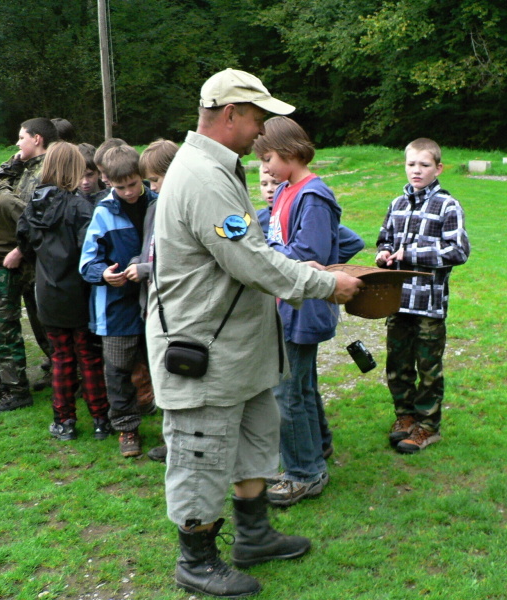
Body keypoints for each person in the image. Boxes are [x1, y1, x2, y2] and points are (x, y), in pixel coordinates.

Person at [145, 68, 362, 598]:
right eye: (258, 117)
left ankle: (254, 534)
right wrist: (325, 284)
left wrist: (306, 273)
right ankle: (196, 561)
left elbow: (251, 253)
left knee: (255, 438)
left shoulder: (218, 168)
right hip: (204, 349)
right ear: (230, 114)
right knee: (199, 454)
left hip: (236, 349)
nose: (263, 129)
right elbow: (252, 262)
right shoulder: (202, 176)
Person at [253, 117, 347, 507]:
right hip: (286, 307)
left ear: (290, 152)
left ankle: (303, 473)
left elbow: (310, 255)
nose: (265, 168)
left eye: (269, 159)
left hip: (303, 310)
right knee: (300, 388)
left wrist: (261, 255)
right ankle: (314, 453)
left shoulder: (313, 195)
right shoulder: (287, 190)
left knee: (287, 393)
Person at [375, 138, 470, 454]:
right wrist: (384, 254)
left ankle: (428, 427)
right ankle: (405, 417)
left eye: (424, 165)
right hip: (397, 300)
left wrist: (412, 254)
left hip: (428, 304)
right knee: (397, 364)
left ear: (438, 168)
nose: (417, 170)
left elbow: (458, 251)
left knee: (428, 368)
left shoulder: (448, 205)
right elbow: (384, 239)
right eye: (411, 164)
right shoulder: (396, 204)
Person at [16, 142, 111, 441]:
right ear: (73, 169)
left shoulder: (32, 206)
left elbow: (25, 245)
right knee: (88, 356)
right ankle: (100, 420)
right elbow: (90, 250)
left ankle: (65, 421)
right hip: (78, 292)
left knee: (62, 358)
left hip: (48, 290)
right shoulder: (80, 207)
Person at [79, 144, 156, 459]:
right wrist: (104, 275)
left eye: (133, 184)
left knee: (160, 362)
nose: (128, 192)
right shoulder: (102, 212)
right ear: (107, 181)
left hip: (155, 299)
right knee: (118, 369)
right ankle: (126, 427)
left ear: (141, 176)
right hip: (116, 305)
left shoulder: (158, 202)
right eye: (121, 187)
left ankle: (169, 421)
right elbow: (87, 263)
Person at [125, 138, 179, 463]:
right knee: (161, 376)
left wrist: (144, 269)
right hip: (152, 304)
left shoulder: (180, 207)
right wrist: (135, 262)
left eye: (156, 180)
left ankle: (179, 444)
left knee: (176, 378)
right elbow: (150, 248)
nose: (153, 187)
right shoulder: (154, 207)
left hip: (173, 308)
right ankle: (171, 440)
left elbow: (177, 261)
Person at [0, 118, 58, 396]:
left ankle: (70, 375)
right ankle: (57, 369)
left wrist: (20, 250)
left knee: (46, 320)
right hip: (24, 262)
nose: (17, 143)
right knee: (36, 321)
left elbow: (45, 221)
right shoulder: (25, 167)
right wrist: (15, 161)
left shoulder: (48, 172)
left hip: (38, 261)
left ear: (37, 138)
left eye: (22, 137)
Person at [0, 179, 33, 412]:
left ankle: (18, 391)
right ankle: (4, 383)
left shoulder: (6, 200)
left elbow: (35, 227)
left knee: (5, 331)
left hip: (6, 271)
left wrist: (19, 251)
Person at [255, 167, 278, 238]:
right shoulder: (256, 219)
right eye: (264, 184)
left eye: (276, 183)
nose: (269, 189)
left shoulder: (299, 217)